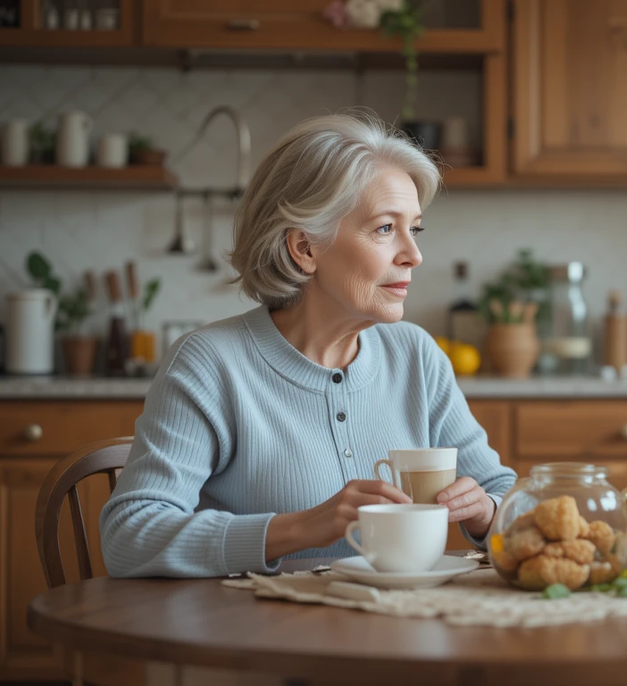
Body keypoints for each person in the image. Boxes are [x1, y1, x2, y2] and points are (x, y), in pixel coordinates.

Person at [101, 110, 515, 578]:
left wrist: (486, 511)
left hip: (401, 622)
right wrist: (298, 528)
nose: (414, 254)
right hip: (254, 624)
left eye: (414, 229)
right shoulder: (210, 364)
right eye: (385, 228)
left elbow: (507, 497)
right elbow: (128, 537)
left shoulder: (416, 355)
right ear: (304, 248)